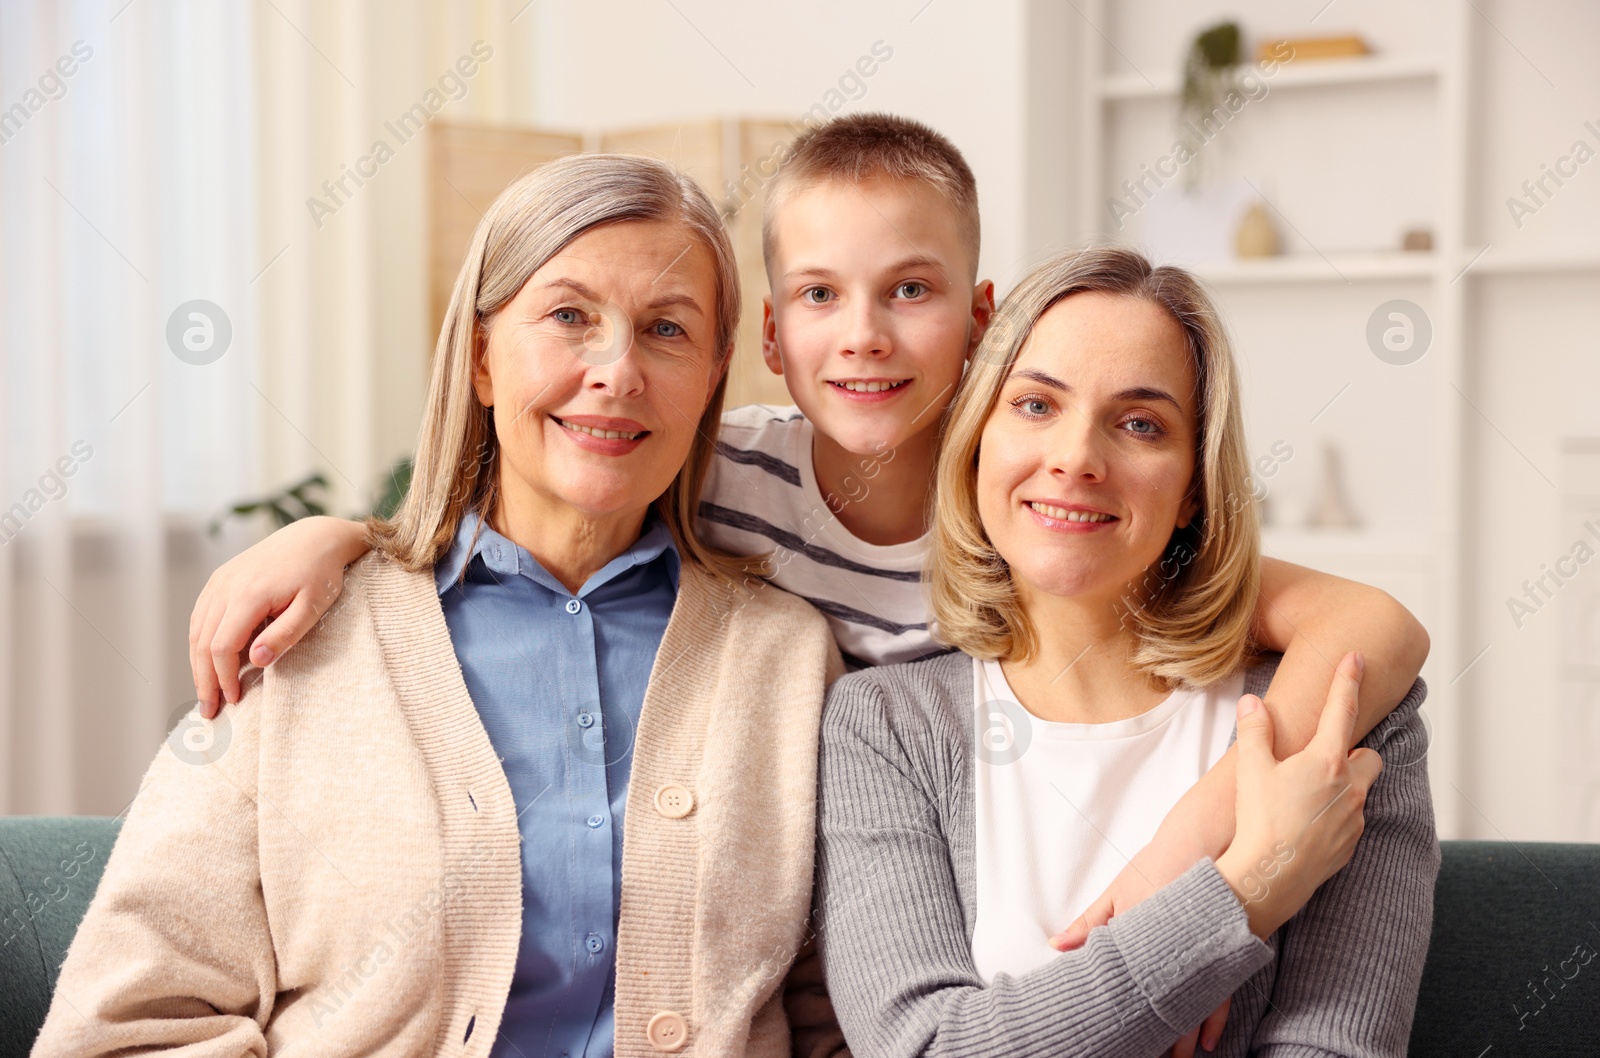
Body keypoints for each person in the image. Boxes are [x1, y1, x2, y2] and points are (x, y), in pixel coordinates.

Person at [187, 118, 1428, 941]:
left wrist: (1185, 862)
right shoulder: (719, 474)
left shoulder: (1038, 502)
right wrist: (344, 534)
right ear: (773, 343)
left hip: (992, 889)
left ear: (983, 317)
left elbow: (1368, 624)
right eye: (821, 297)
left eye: (912, 291)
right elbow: (544, 491)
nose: (867, 336)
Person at [30, 155, 846, 1058]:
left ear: (712, 377)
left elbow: (836, 1020)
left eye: (666, 328)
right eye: (570, 316)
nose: (617, 371)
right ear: (481, 358)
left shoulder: (789, 657)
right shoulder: (306, 637)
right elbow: (122, 1029)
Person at [813, 247, 1438, 1058]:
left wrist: (1179, 868)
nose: (1077, 457)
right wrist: (1244, 894)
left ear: (1191, 490)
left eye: (1141, 423)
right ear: (973, 449)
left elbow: (1335, 1053)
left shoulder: (1344, 721)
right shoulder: (883, 728)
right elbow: (930, 1053)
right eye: (1035, 405)